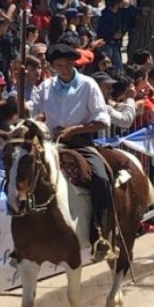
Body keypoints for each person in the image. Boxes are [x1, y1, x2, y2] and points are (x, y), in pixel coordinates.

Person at [30, 44, 115, 262]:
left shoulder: (88, 85)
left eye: (67, 64)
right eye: (59, 65)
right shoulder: (45, 87)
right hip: (51, 143)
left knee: (100, 178)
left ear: (73, 63)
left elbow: (102, 120)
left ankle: (99, 234)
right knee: (26, 178)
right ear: (53, 67)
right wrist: (23, 81)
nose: (64, 69)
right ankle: (27, 242)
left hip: (80, 144)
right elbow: (32, 111)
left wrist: (76, 129)